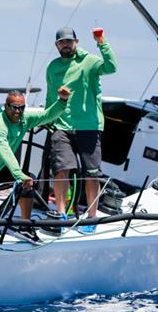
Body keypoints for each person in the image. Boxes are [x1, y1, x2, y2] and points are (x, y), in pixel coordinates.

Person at [0, 87, 71, 239]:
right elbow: (6, 152)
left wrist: (62, 101)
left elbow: (47, 115)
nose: (18, 111)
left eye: (21, 107)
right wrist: (19, 174)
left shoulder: (24, 119)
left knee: (26, 185)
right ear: (6, 107)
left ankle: (24, 226)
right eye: (14, 107)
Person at [46, 26, 117, 233]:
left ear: (76, 42)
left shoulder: (90, 61)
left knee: (91, 174)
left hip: (88, 126)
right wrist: (48, 118)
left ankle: (91, 218)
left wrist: (101, 41)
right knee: (61, 171)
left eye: (69, 41)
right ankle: (61, 215)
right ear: (57, 45)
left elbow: (112, 66)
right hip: (61, 126)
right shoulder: (53, 67)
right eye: (62, 42)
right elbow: (50, 97)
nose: (66, 44)